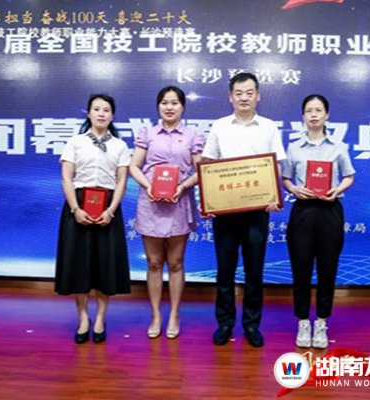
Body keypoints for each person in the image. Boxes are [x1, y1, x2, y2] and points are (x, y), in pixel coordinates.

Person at [201, 72, 287, 348]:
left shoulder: (269, 127)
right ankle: (225, 323)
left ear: (258, 96)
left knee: (254, 270)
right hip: (225, 211)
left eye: (250, 93)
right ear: (230, 97)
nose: (244, 98)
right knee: (224, 270)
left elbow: (277, 166)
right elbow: (208, 164)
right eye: (239, 93)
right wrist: (209, 200)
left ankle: (251, 324)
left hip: (257, 211)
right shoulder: (219, 126)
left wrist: (274, 195)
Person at [129, 86, 205, 340]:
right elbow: (134, 166)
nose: (169, 107)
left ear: (183, 107)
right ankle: (155, 315)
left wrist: (182, 186)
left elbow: (201, 170)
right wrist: (149, 186)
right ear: (158, 106)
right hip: (151, 202)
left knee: (175, 262)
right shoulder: (147, 133)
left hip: (179, 203)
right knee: (153, 262)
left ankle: (173, 314)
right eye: (164, 102)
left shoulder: (193, 135)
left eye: (174, 103)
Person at [55, 94, 131, 344]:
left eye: (106, 110)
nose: (101, 113)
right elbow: (67, 178)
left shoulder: (120, 146)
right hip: (78, 206)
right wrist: (75, 209)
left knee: (104, 266)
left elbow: (122, 181)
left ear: (112, 115)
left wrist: (111, 210)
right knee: (79, 265)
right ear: (88, 114)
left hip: (108, 207)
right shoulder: (75, 142)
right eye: (96, 109)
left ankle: (100, 318)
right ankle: (83, 319)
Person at [281, 94, 355, 348]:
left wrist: (337, 189)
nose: (313, 114)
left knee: (327, 269)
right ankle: (303, 321)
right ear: (303, 116)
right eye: (309, 110)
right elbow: (286, 178)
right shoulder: (294, 147)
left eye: (318, 110)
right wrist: (294, 189)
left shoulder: (339, 147)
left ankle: (322, 321)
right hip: (302, 211)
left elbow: (349, 175)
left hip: (329, 211)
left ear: (327, 115)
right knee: (300, 269)